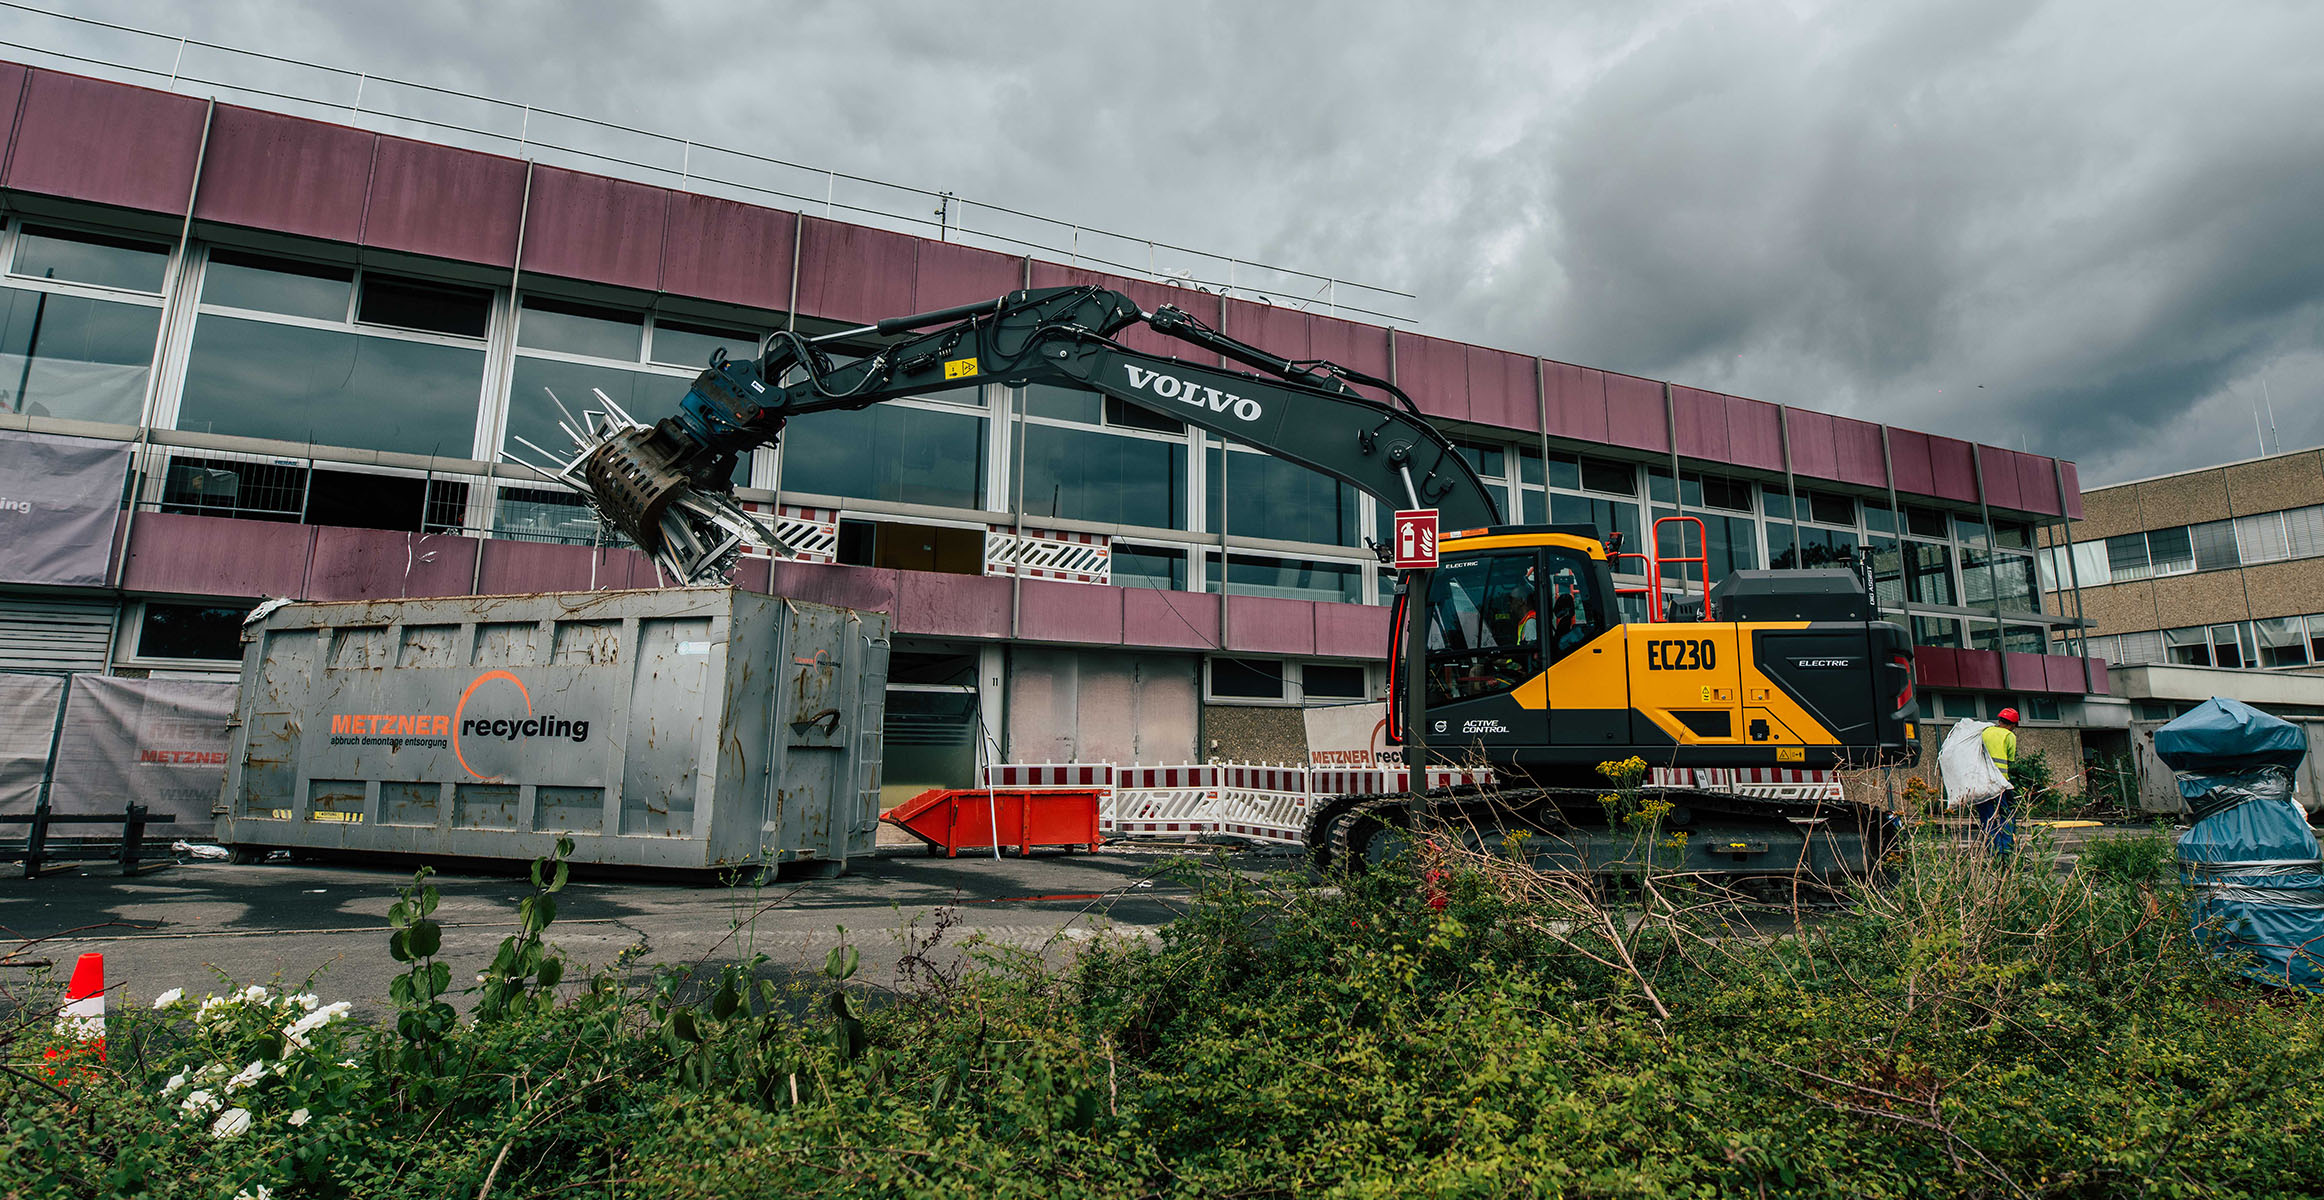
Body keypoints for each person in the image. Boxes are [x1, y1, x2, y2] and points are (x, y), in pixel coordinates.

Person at [1976, 707, 2020, 857]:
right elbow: (2010, 759)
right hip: (2000, 783)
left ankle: (1992, 850)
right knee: (2007, 814)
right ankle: (2005, 850)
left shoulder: (1985, 732)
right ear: (2013, 725)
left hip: (1980, 782)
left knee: (1987, 817)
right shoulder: (2009, 736)